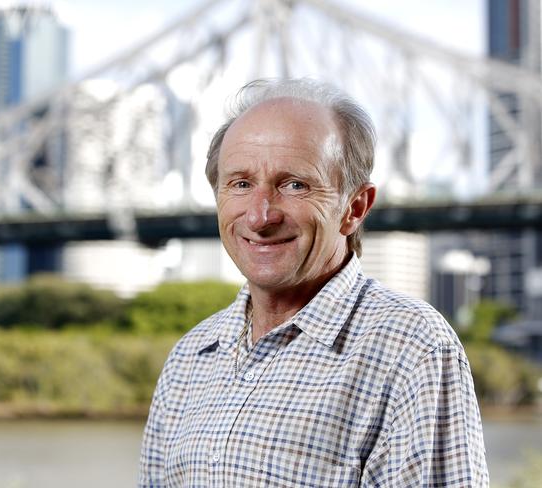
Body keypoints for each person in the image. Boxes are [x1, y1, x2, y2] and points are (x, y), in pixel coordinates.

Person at [139, 79, 489, 487]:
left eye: (295, 185)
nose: (260, 216)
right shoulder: (189, 358)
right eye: (240, 184)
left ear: (355, 207)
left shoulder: (412, 349)